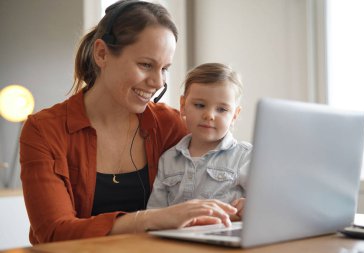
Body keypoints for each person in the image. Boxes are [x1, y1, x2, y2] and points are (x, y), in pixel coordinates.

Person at [19, 1, 237, 245]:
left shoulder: (169, 125)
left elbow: (224, 162)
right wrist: (152, 219)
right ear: (102, 54)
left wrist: (243, 202)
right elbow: (54, 232)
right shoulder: (44, 130)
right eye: (146, 65)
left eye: (165, 68)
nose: (158, 82)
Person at [147, 63, 252, 219]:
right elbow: (153, 215)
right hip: (175, 239)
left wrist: (250, 205)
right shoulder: (168, 159)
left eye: (221, 109)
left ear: (235, 115)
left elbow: (269, 201)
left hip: (222, 235)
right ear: (182, 106)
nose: (209, 115)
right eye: (200, 105)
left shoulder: (244, 157)